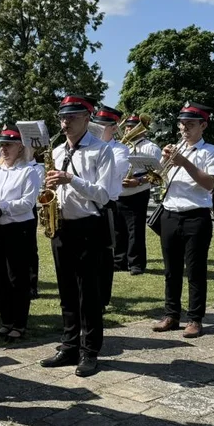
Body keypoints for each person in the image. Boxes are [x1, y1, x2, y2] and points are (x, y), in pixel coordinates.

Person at [38, 95, 115, 377]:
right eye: (62, 117)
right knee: (67, 291)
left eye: (71, 117)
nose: (65, 122)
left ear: (86, 118)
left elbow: (104, 194)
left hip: (89, 226)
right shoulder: (57, 152)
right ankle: (69, 345)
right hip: (62, 225)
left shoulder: (101, 150)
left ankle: (90, 350)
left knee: (89, 293)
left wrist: (71, 179)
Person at [152, 103, 214, 339]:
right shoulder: (175, 151)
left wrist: (185, 162)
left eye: (190, 124)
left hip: (196, 216)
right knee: (171, 270)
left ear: (203, 125)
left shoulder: (211, 151)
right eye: (182, 124)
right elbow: (158, 180)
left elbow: (209, 184)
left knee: (195, 270)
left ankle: (195, 318)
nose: (184, 128)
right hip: (170, 214)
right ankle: (171, 314)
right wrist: (162, 162)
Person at [0, 126, 38, 342]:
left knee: (18, 278)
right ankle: (6, 321)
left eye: (8, 144)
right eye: (2, 144)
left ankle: (19, 324)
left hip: (18, 229)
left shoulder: (28, 171)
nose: (3, 148)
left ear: (20, 146)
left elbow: (27, 203)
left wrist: (2, 207)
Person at [91, 105, 130, 309]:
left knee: (105, 255)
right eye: (95, 124)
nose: (96, 129)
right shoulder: (88, 147)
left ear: (114, 128)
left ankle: (103, 299)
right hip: (87, 204)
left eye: (102, 126)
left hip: (107, 204)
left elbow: (111, 175)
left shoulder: (121, 150)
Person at [115, 113, 162, 275]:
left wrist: (139, 181)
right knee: (118, 228)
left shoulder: (151, 147)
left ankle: (136, 263)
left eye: (134, 126)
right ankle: (119, 260)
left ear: (143, 130)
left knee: (135, 230)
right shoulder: (120, 145)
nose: (129, 129)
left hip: (137, 191)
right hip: (119, 191)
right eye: (127, 126)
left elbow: (158, 172)